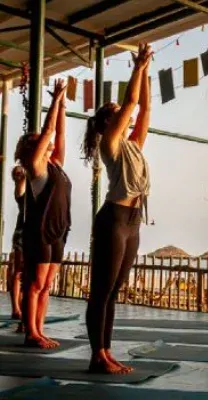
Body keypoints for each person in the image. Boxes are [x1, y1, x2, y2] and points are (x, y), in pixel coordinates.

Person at [82, 43, 153, 374]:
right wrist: (137, 68)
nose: (126, 116)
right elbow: (132, 102)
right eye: (117, 113)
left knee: (113, 293)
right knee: (101, 291)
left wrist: (148, 70)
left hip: (134, 221)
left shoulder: (132, 144)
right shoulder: (109, 144)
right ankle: (97, 355)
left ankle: (106, 351)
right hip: (114, 219)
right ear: (108, 123)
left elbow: (144, 110)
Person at [16, 79, 70, 349]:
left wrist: (61, 107)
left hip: (58, 230)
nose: (47, 143)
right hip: (39, 231)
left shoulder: (55, 165)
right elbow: (49, 131)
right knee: (35, 284)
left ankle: (40, 328)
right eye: (40, 143)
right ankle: (31, 332)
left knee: (47, 284)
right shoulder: (35, 168)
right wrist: (55, 100)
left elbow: (59, 136)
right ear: (32, 149)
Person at [8, 165, 26, 327]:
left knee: (26, 273)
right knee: (19, 272)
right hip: (22, 233)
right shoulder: (21, 191)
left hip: (34, 233)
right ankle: (16, 308)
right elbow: (20, 180)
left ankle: (22, 308)